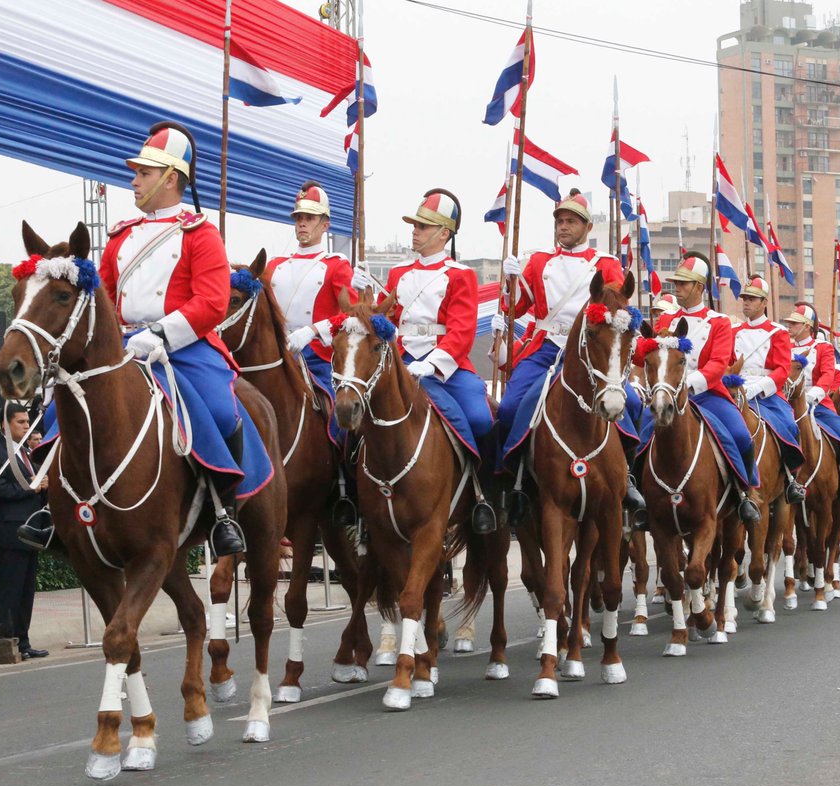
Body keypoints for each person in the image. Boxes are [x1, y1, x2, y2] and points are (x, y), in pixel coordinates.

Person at [102, 121, 273, 556]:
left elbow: (213, 302)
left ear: (171, 178)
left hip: (183, 344)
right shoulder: (120, 236)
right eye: (136, 172)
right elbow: (104, 294)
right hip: (123, 344)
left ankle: (223, 510)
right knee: (64, 401)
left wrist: (160, 333)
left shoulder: (200, 234)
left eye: (143, 173)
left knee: (219, 408)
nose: (134, 180)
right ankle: (52, 504)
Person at [494, 188, 643, 524]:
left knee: (632, 404)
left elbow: (618, 308)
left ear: (587, 227)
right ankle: (514, 479)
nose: (563, 226)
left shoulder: (605, 264)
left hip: (593, 350)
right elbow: (515, 308)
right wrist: (510, 281)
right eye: (560, 221)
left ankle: (628, 478)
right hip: (548, 347)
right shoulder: (538, 262)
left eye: (571, 221)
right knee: (510, 408)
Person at [376, 189, 496, 533]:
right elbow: (384, 319)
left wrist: (432, 363)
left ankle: (482, 493)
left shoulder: (461, 275)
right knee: (352, 421)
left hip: (443, 364)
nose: (415, 231)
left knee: (481, 418)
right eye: (415, 225)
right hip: (399, 360)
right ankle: (351, 495)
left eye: (424, 226)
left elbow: (461, 331)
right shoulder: (398, 273)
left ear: (444, 234)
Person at [265, 182, 358, 524]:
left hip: (317, 357)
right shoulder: (274, 264)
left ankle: (346, 485)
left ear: (325, 224)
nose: (302, 224)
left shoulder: (336, 265)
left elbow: (350, 313)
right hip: (277, 356)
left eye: (310, 218)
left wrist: (314, 331)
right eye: (299, 217)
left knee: (340, 416)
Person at [651, 253, 760, 521]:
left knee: (741, 435)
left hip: (707, 394)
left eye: (684, 283)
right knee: (639, 435)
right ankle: (635, 492)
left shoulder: (719, 322)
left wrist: (687, 384)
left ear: (700, 287)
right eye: (676, 282)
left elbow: (718, 364)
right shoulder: (665, 322)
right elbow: (653, 354)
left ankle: (747, 491)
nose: (677, 287)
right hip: (667, 394)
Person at [0, 404, 49, 661]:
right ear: (5, 425)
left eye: (27, 421)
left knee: (25, 592)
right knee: (6, 592)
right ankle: (1, 644)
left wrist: (44, 486)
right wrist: (31, 488)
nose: (25, 426)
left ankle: (23, 641)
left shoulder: (27, 454)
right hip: (8, 534)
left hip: (30, 532)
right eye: (20, 422)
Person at [731, 277, 805, 503]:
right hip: (735, 389)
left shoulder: (778, 332)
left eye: (751, 299)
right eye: (744, 298)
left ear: (764, 302)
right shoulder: (734, 331)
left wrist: (757, 388)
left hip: (766, 394)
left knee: (790, 427)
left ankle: (791, 479)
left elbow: (782, 370)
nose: (746, 303)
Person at [783, 302, 840, 503]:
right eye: (790, 323)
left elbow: (827, 375)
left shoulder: (823, 347)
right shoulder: (784, 346)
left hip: (817, 405)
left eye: (795, 323)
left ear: (807, 326)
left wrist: (812, 396)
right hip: (786, 404)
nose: (790, 326)